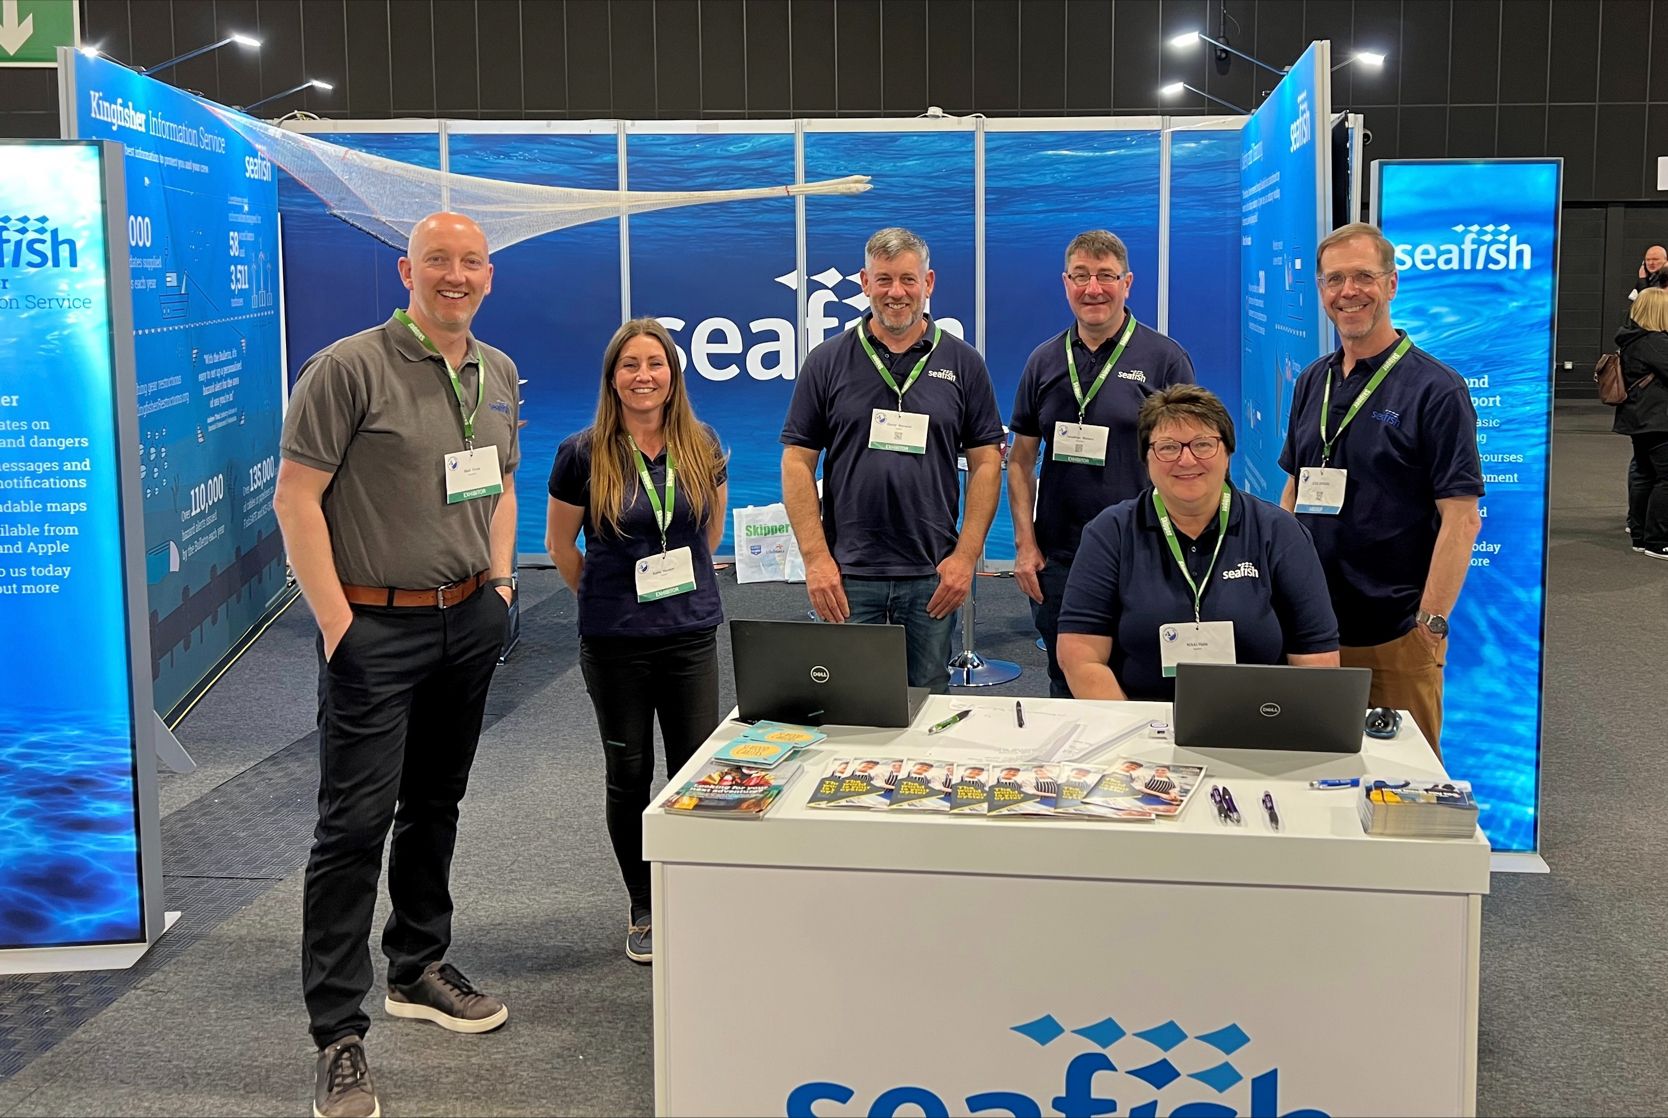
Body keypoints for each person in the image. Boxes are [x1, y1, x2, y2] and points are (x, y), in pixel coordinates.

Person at [275, 212, 519, 1118]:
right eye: (438, 262)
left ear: (488, 275)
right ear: (405, 269)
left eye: (470, 263)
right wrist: (338, 625)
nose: (454, 276)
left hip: (466, 625)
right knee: (352, 826)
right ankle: (338, 1033)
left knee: (434, 806)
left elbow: (498, 484)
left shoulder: (495, 371)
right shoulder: (346, 368)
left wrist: (499, 585)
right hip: (374, 630)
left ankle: (415, 967)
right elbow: (296, 500)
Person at [547, 318, 729, 966]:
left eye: (655, 363)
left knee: (693, 773)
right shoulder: (581, 452)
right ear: (612, 378)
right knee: (629, 776)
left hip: (688, 637)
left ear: (673, 374)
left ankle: (693, 894)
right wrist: (608, 599)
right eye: (630, 365)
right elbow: (560, 548)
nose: (643, 375)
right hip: (616, 644)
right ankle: (645, 903)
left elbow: (709, 535)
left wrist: (674, 590)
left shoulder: (701, 444)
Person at [1279, 222, 1484, 756]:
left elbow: (1462, 519)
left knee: (1403, 788)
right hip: (1312, 630)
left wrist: (1430, 625)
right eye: (1335, 279)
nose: (1349, 291)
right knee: (1310, 771)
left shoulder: (1436, 389)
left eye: (1364, 277)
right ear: (1321, 290)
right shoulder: (1312, 381)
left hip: (1395, 633)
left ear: (1391, 284)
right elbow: (1296, 487)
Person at [781, 227, 1006, 693]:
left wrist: (966, 558)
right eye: (884, 280)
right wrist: (816, 559)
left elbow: (987, 463)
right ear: (864, 283)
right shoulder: (826, 362)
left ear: (930, 282)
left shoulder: (964, 364)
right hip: (848, 575)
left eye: (908, 279)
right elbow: (796, 463)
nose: (896, 293)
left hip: (931, 575)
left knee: (928, 705)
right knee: (847, 705)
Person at [1057, 386, 1340, 701]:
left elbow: (1317, 658)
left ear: (1228, 453)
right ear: (1146, 459)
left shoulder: (1280, 533)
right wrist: (1133, 734)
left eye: (1203, 444)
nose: (1187, 460)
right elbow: (1080, 655)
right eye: (1168, 447)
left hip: (1259, 726)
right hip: (1142, 731)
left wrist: (1277, 731)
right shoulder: (1110, 533)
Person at [1007, 230, 1196, 696]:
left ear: (1127, 283)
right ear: (1065, 282)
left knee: (1148, 678)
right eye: (1081, 276)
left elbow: (1193, 463)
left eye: (1106, 276)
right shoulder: (1043, 361)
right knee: (1067, 678)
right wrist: (1025, 546)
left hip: (1145, 551)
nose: (1094, 288)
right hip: (1061, 556)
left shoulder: (1165, 359)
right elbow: (1020, 460)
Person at [1614, 287, 1668, 559]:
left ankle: (1640, 535)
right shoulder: (1657, 342)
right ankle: (1658, 540)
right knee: (1665, 478)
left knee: (1644, 474)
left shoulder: (1631, 340)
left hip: (1639, 417)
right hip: (1658, 418)